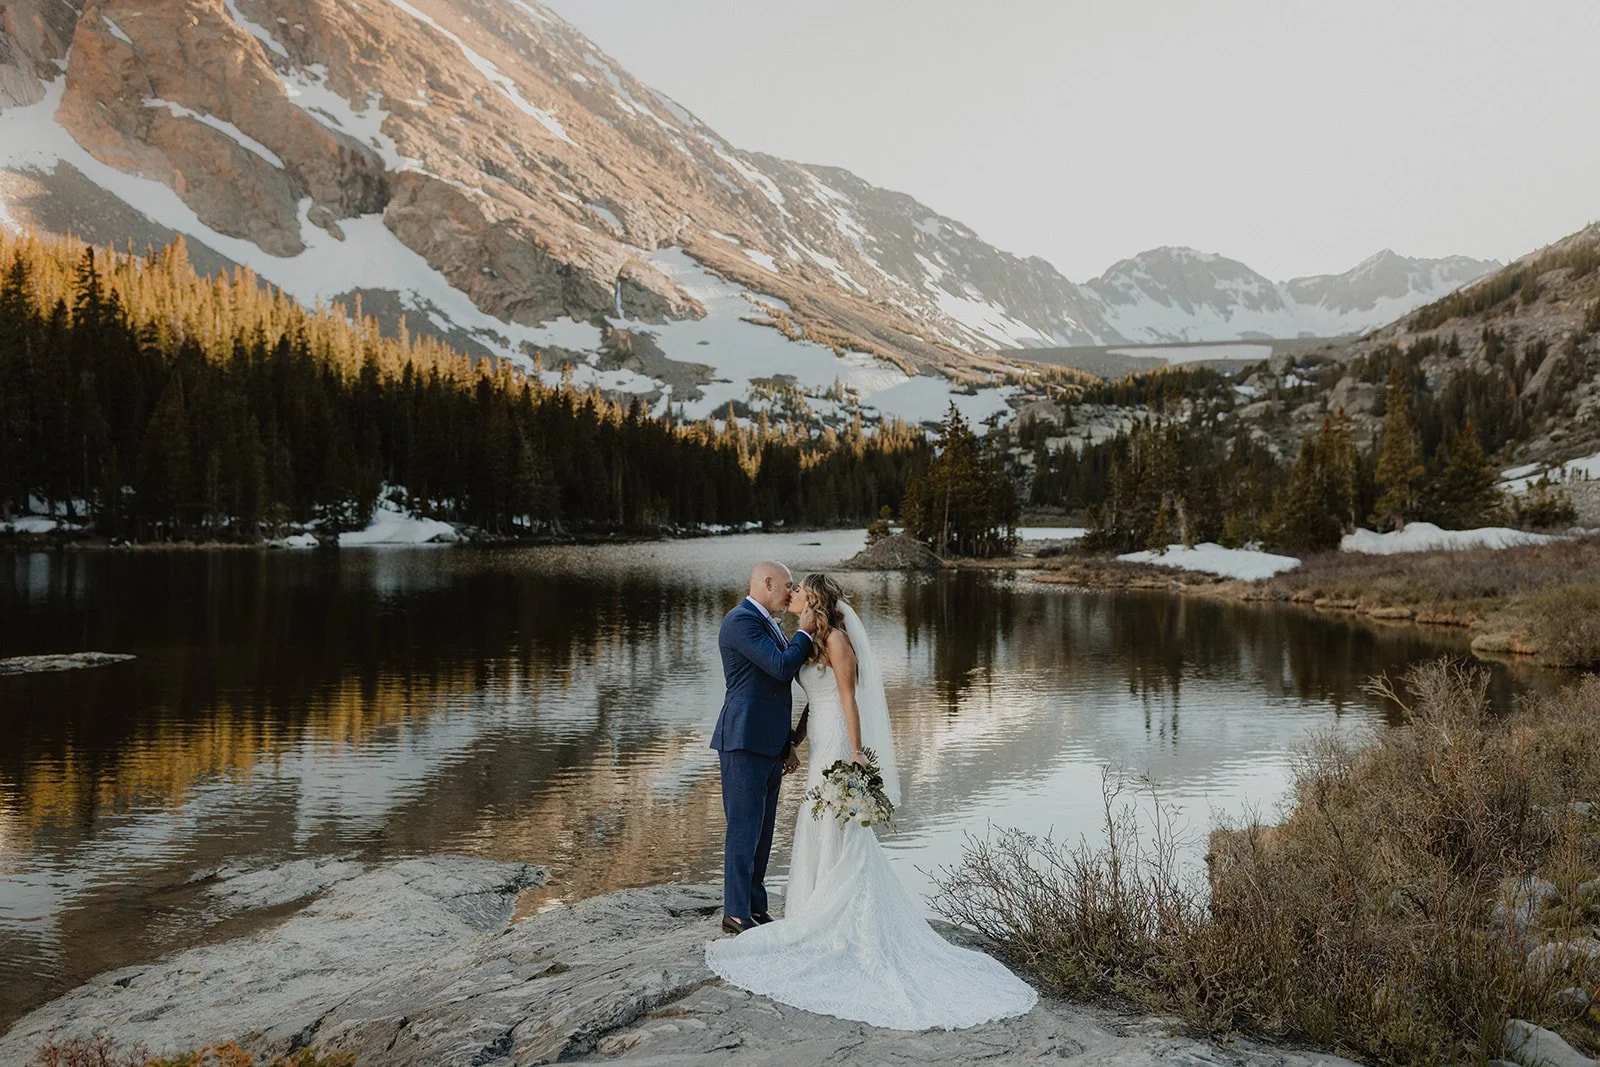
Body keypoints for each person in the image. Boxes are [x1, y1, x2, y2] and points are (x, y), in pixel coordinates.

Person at [705, 573, 1038, 1030]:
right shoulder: (801, 636)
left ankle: (822, 912)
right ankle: (786, 909)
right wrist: (795, 739)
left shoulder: (836, 640)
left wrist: (857, 752)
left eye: (798, 589)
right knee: (807, 821)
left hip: (840, 741)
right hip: (815, 737)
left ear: (813, 600)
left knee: (829, 822)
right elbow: (804, 693)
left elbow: (847, 698)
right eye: (788, 586)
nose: (791, 593)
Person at [709, 561, 817, 935]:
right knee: (743, 830)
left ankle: (756, 907)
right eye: (787, 586)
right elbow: (781, 668)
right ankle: (736, 913)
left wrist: (787, 743)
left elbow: (773, 692)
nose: (791, 593)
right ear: (767, 583)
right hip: (741, 741)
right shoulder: (740, 621)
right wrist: (804, 633)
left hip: (769, 744)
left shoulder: (766, 622)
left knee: (764, 832)